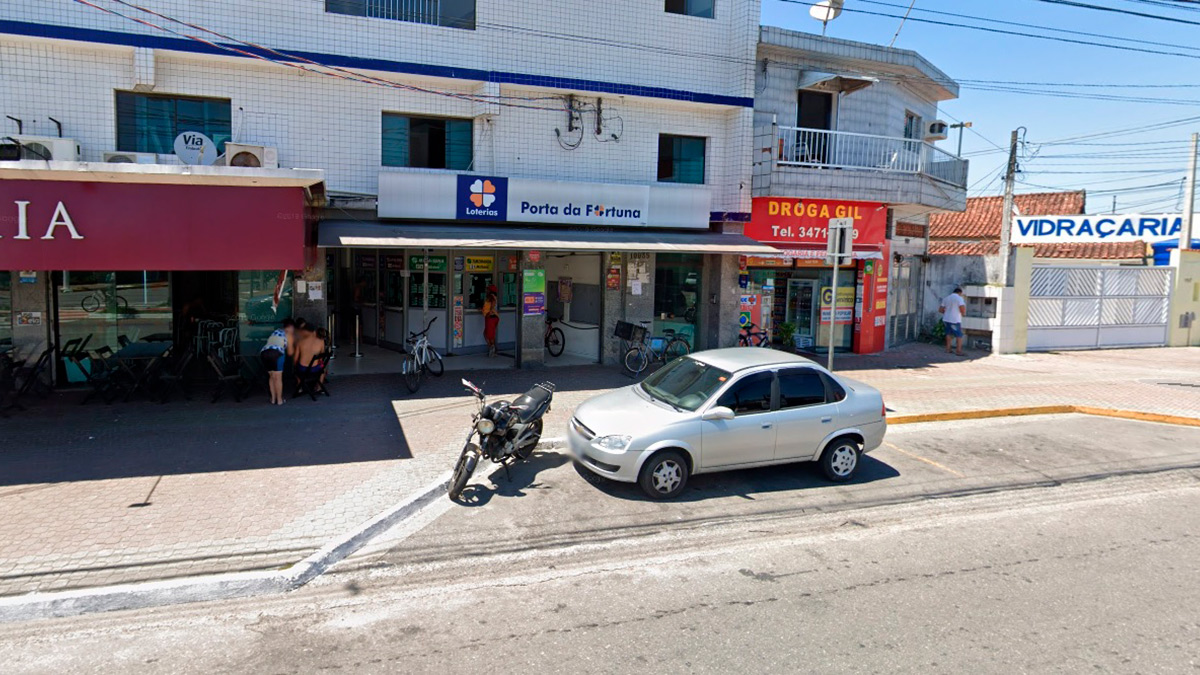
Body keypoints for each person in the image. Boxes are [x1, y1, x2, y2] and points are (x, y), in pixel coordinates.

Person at [260, 318, 295, 405]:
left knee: (272, 376)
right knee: (278, 377)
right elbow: (290, 352)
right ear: (291, 327)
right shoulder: (289, 334)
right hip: (276, 354)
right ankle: (279, 400)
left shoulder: (276, 331)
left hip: (264, 353)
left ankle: (273, 399)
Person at [940, 287, 967, 356]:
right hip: (955, 320)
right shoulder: (959, 298)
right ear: (959, 293)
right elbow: (962, 307)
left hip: (946, 319)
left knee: (948, 334)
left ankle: (948, 349)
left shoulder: (946, 298)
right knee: (959, 335)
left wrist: (946, 312)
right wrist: (963, 313)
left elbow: (940, 309)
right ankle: (958, 351)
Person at [482, 284, 500, 357]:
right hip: (493, 317)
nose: (486, 290)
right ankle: (492, 349)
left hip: (491, 318)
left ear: (491, 290)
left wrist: (489, 312)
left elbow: (492, 305)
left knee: (489, 335)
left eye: (488, 289)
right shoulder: (492, 297)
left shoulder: (491, 297)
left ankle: (492, 350)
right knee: (488, 334)